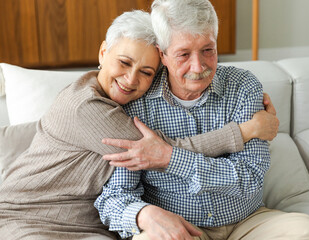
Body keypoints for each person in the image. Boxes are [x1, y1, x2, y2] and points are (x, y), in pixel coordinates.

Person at [0, 10, 277, 240]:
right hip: (30, 216)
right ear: (102, 53)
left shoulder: (125, 104)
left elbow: (160, 153)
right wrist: (244, 131)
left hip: (87, 224)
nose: (131, 79)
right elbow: (160, 151)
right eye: (124, 62)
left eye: (146, 72)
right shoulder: (85, 106)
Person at [96, 1, 309, 239]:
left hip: (247, 222)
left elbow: (249, 178)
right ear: (162, 54)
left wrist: (171, 158)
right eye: (184, 54)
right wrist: (144, 214)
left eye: (208, 50)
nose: (198, 67)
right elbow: (115, 197)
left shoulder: (243, 87)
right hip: (182, 228)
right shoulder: (138, 103)